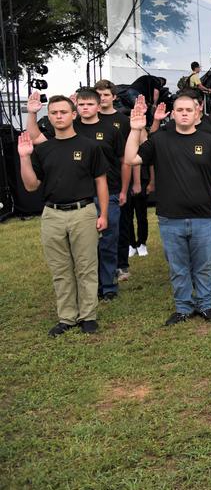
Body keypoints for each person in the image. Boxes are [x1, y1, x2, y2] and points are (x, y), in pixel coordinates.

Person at [125, 95, 211, 326]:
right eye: (179, 110)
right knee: (178, 267)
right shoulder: (160, 140)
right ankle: (183, 307)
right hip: (170, 218)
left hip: (203, 217)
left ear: (196, 113)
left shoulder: (209, 141)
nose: (183, 113)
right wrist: (134, 130)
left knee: (203, 266)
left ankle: (205, 305)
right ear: (172, 114)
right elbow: (131, 159)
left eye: (188, 110)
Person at [19, 94, 108, 336]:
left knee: (86, 266)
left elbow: (101, 181)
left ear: (73, 115)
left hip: (84, 212)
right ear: (50, 117)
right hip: (52, 215)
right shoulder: (43, 149)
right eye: (54, 113)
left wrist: (103, 214)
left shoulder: (90, 147)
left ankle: (88, 316)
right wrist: (24, 157)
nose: (59, 116)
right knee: (60, 269)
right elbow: (30, 186)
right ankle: (67, 318)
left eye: (63, 112)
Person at [26, 88, 127, 301]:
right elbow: (35, 138)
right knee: (80, 249)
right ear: (76, 108)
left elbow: (122, 160)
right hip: (78, 196)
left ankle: (108, 286)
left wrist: (125, 189)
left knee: (107, 242)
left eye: (89, 104)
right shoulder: (68, 127)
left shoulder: (111, 129)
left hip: (108, 192)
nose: (85, 108)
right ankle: (83, 289)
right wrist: (33, 113)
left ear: (98, 106)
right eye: (81, 104)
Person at [95, 79, 137, 282]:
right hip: (94, 185)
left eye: (105, 94)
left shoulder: (123, 120)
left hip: (117, 183)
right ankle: (101, 268)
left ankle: (122, 265)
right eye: (98, 94)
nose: (102, 98)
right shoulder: (88, 119)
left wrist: (127, 186)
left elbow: (128, 157)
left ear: (114, 97)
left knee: (121, 226)